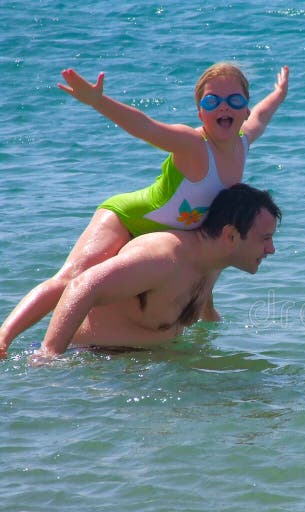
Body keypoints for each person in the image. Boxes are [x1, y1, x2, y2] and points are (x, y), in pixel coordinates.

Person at [0, 62, 289, 358]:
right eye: (212, 101)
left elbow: (262, 118)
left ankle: (206, 316)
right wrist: (99, 101)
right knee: (70, 277)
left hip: (173, 230)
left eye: (235, 101)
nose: (224, 107)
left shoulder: (242, 143)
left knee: (209, 250)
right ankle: (4, 337)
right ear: (200, 112)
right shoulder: (193, 145)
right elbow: (145, 127)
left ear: (245, 110)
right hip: (129, 217)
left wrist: (278, 94)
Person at [31, 184, 280, 360]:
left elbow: (199, 296)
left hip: (145, 367)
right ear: (231, 235)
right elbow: (81, 286)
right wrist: (49, 357)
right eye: (265, 238)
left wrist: (211, 320)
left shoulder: (214, 261)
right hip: (93, 362)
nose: (272, 249)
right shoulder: (163, 258)